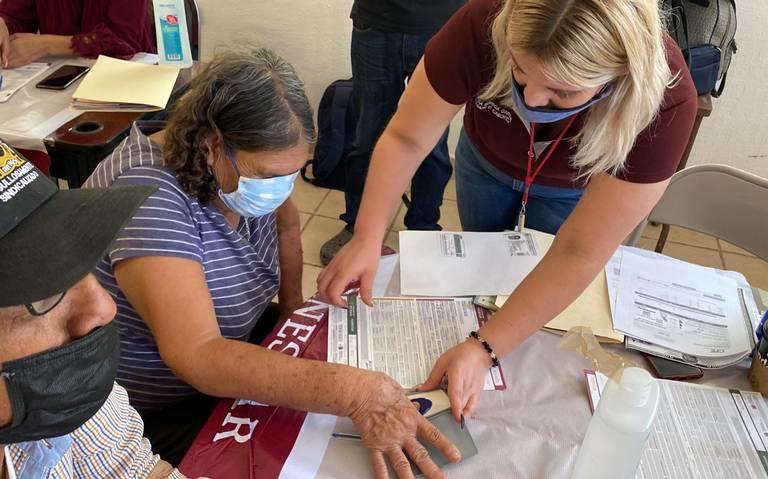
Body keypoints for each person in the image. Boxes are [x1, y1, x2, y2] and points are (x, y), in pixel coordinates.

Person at [83, 47, 459, 477]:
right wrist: (351, 392)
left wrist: (291, 310)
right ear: (213, 144)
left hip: (228, 346)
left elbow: (285, 224)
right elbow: (198, 355)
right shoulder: (148, 201)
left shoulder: (246, 169)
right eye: (267, 175)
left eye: (292, 174)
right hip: (163, 405)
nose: (280, 190)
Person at [318, 0, 697, 422]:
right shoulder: (482, 22)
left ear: (617, 76)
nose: (530, 98)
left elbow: (580, 252)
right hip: (486, 163)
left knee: (539, 320)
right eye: (519, 69)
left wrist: (484, 348)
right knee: (481, 280)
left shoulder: (666, 101)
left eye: (563, 91)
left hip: (572, 190)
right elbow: (407, 137)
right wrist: (369, 235)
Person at [0, 140, 186, 477]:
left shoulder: (55, 396)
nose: (104, 306)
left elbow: (133, 467)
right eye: (41, 293)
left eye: (79, 264)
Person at [319, 0, 465, 265]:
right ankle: (356, 226)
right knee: (367, 138)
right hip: (376, 21)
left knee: (433, 145)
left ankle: (424, 230)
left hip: (445, 25)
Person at [0, 0, 155, 68]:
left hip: (127, 77)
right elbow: (17, 15)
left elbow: (123, 38)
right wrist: (3, 24)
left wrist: (45, 45)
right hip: (57, 77)